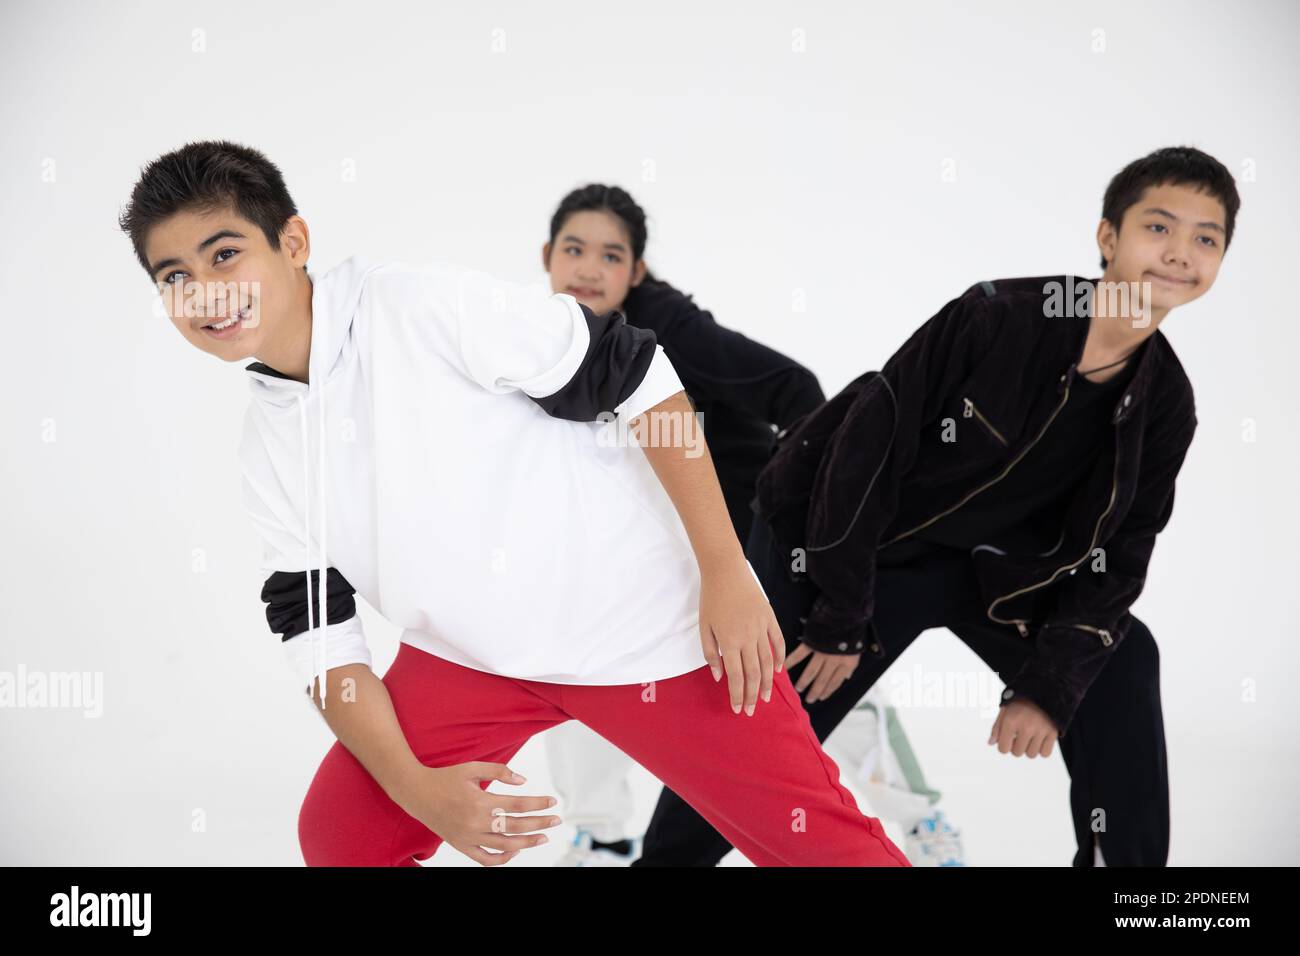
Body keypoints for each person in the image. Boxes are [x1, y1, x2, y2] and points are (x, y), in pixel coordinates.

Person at [117, 139, 911, 867]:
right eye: (176, 276)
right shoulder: (268, 444)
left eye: (226, 255)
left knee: (828, 851)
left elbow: (639, 374)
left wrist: (727, 572)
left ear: (292, 242)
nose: (208, 293)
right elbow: (318, 632)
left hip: (653, 636)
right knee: (344, 833)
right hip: (475, 664)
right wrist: (413, 788)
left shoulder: (417, 307)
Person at [633, 145, 1237, 867]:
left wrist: (1047, 685)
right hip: (841, 542)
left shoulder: (1166, 401)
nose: (1180, 253)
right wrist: (838, 616)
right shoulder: (1001, 317)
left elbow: (1123, 556)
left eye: (1207, 239)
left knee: (1125, 655)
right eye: (1159, 228)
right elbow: (865, 450)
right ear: (1109, 238)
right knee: (765, 719)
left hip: (991, 578)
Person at [538, 184, 968, 866]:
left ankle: (924, 823)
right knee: (575, 668)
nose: (589, 268)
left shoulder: (668, 328)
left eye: (611, 255)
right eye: (574, 249)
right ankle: (606, 836)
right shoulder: (544, 338)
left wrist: (805, 514)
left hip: (749, 545)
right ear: (547, 257)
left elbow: (794, 387)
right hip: (652, 556)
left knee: (806, 689)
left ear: (637, 272)